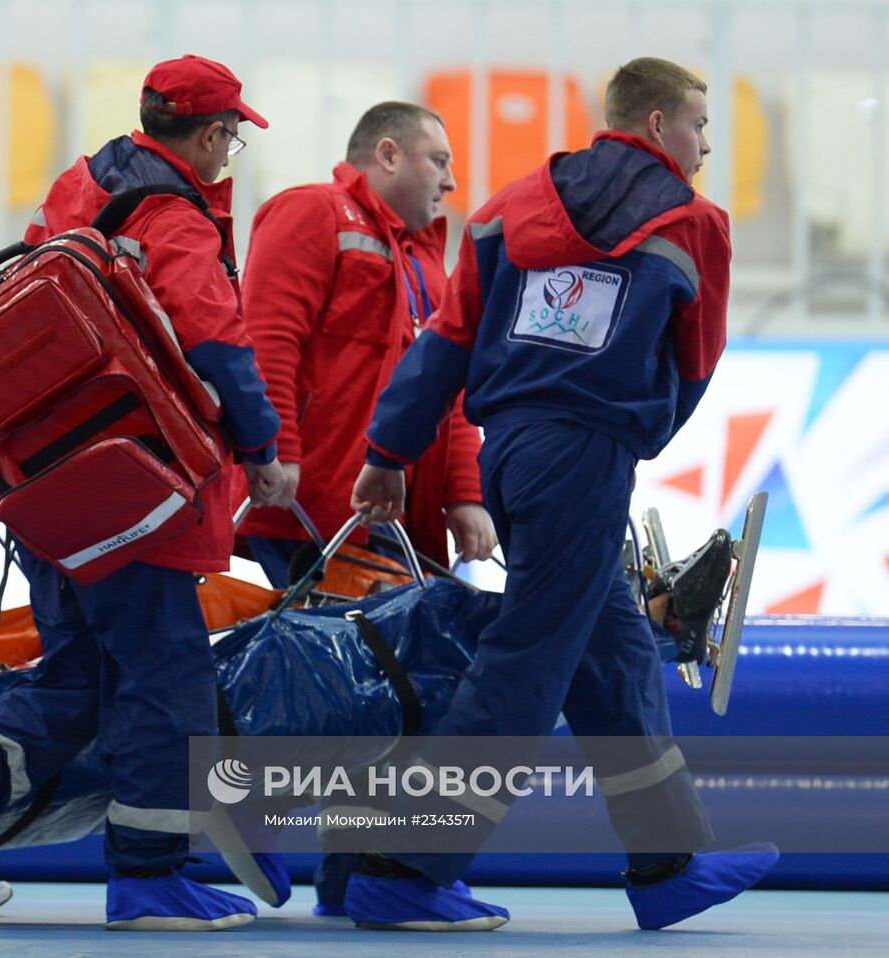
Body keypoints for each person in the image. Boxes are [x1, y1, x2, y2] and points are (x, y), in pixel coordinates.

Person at [348, 57, 778, 932]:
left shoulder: (510, 207)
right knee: (527, 662)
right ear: (657, 126)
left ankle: (667, 863)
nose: (704, 146)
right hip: (583, 455)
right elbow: (696, 362)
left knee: (613, 650)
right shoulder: (693, 224)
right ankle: (403, 861)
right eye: (698, 125)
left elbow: (449, 340)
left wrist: (388, 447)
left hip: (509, 452)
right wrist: (636, 431)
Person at [0, 54, 289, 931]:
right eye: (232, 136)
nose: (232, 151)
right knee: (166, 680)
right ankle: (148, 876)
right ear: (209, 135)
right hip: (140, 491)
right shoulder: (173, 214)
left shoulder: (77, 187)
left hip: (49, 489)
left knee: (81, 680)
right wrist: (266, 448)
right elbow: (215, 340)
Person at [239, 102, 496, 591]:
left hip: (389, 515)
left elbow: (449, 388)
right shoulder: (312, 211)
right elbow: (268, 339)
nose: (451, 184)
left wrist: (465, 494)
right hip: (313, 502)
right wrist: (278, 452)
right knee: (344, 656)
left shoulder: (426, 261)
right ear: (388, 154)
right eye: (439, 161)